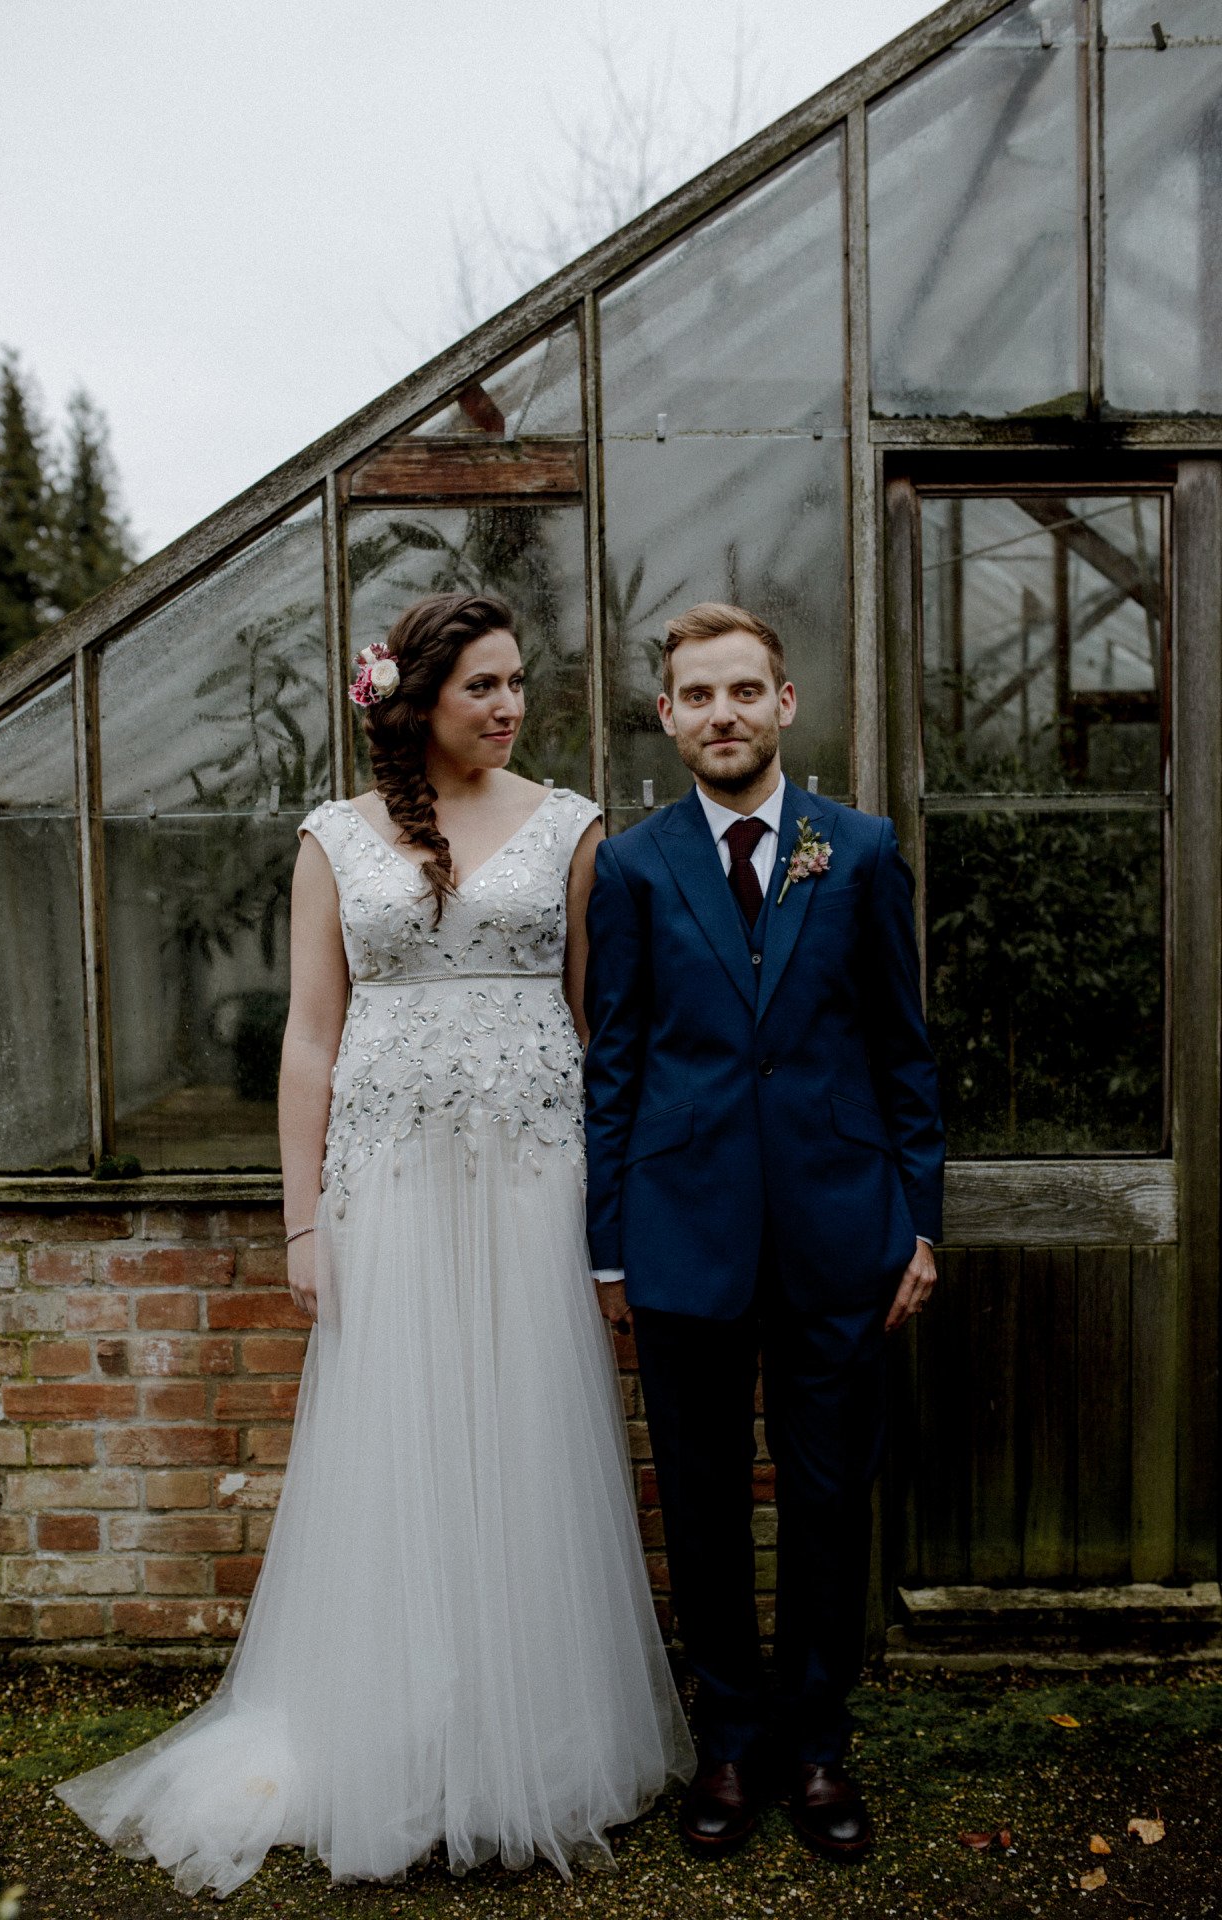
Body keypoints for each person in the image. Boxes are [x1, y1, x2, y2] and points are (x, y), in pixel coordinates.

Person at [56, 590, 692, 1896]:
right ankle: (393, 1738)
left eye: (520, 683)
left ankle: (534, 1742)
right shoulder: (332, 839)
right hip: (387, 1178)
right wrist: (300, 1218)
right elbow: (306, 1035)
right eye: (485, 687)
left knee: (523, 1438)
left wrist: (613, 1217)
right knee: (401, 1441)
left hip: (531, 1170)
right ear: (419, 699)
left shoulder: (572, 828)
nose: (511, 705)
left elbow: (597, 1020)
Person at [583, 602, 944, 1861]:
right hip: (681, 1239)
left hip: (841, 1232)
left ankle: (817, 1746)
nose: (721, 714)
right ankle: (728, 1744)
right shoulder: (632, 869)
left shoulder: (857, 850)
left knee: (829, 1497)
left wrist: (917, 1223)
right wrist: (609, 1243)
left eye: (744, 691)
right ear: (668, 717)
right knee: (698, 1499)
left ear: (783, 705)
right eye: (697, 696)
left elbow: (903, 1052)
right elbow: (614, 1062)